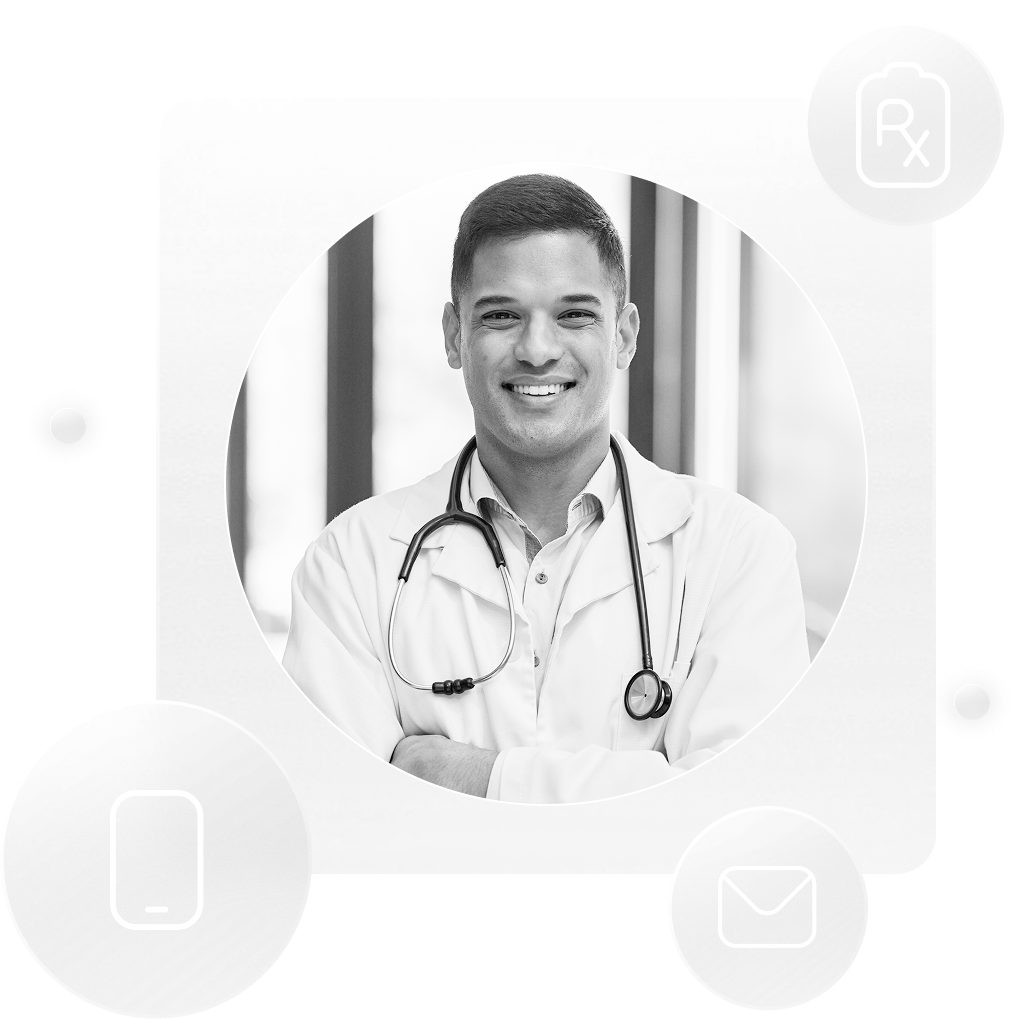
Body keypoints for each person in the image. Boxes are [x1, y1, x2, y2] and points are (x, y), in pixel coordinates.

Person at [283, 174, 809, 805]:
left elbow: (740, 805)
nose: (537, 350)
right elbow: (344, 811)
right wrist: (647, 782)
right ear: (454, 336)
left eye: (574, 315)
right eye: (501, 316)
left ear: (623, 336)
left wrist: (468, 775)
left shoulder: (739, 552)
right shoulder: (350, 562)